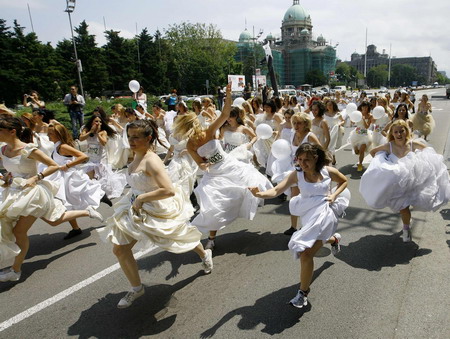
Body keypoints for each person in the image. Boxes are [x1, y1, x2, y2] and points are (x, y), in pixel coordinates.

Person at [99, 119, 213, 308]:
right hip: (134, 207)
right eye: (129, 136)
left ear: (148, 137)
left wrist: (142, 198)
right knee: (119, 248)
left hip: (154, 209)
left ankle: (204, 253)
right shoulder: (135, 155)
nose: (131, 140)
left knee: (178, 239)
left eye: (136, 137)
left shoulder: (152, 160)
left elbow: (168, 190)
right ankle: (137, 288)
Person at [0, 116, 103, 282]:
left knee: (19, 232)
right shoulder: (3, 150)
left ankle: (15, 270)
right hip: (14, 192)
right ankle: (87, 212)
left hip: (33, 194)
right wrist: (6, 178)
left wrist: (36, 177)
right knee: (54, 221)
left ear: (12, 131)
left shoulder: (29, 150)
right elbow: (11, 170)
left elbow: (53, 166)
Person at [172, 83, 272, 250]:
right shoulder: (190, 145)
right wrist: (205, 166)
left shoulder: (209, 131)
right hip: (213, 173)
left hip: (228, 164)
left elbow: (225, 113)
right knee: (213, 205)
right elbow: (200, 163)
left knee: (244, 189)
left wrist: (227, 94)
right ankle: (211, 238)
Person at [249, 143, 350, 308]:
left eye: (307, 160)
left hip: (325, 215)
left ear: (316, 159)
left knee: (306, 253)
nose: (302, 163)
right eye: (299, 159)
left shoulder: (328, 172)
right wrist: (259, 194)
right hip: (309, 216)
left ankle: (302, 293)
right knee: (314, 240)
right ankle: (333, 240)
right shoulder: (296, 175)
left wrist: (333, 195)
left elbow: (344, 181)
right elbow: (276, 191)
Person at [361, 120, 450, 242]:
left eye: (401, 131)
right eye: (396, 132)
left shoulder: (413, 144)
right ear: (392, 133)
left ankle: (406, 223)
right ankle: (406, 229)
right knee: (404, 208)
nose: (399, 134)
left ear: (406, 131)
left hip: (414, 183)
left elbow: (429, 153)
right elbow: (373, 152)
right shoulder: (389, 146)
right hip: (398, 184)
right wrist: (382, 162)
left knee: (412, 204)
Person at [46, 122, 108, 239]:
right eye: (48, 133)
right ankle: (76, 228)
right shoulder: (56, 147)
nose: (48, 135)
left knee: (70, 202)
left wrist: (68, 166)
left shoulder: (62, 147)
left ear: (58, 135)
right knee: (68, 205)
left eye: (51, 133)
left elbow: (83, 156)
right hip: (61, 179)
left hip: (69, 178)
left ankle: (100, 196)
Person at [79, 114, 126, 199]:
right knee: (90, 176)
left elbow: (104, 143)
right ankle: (93, 193)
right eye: (96, 121)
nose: (98, 123)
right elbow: (81, 138)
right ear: (92, 122)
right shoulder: (86, 129)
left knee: (102, 176)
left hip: (101, 157)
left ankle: (103, 192)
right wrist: (91, 132)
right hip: (91, 157)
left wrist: (97, 134)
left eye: (100, 121)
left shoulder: (103, 132)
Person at [349, 102, 374, 171]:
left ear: (368, 108)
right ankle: (357, 152)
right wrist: (352, 120)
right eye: (363, 107)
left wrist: (363, 119)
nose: (365, 108)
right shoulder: (358, 113)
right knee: (357, 152)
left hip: (365, 135)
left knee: (362, 150)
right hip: (356, 134)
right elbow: (353, 122)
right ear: (361, 107)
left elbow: (367, 126)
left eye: (366, 107)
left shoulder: (370, 116)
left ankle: (360, 164)